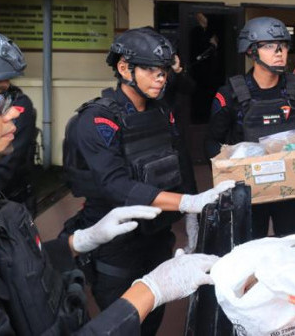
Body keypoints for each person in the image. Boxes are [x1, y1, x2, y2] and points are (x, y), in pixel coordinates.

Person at [0, 96, 220, 335]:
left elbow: (15, 267)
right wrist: (150, 291)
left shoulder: (4, 209)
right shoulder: (96, 119)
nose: (13, 113)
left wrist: (77, 242)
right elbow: (112, 183)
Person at [63, 27, 234, 335]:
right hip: (116, 242)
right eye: (152, 70)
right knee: (124, 320)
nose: (161, 78)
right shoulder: (97, 120)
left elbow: (179, 163)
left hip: (156, 235)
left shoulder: (160, 111)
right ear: (124, 68)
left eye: (164, 71)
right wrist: (185, 202)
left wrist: (190, 210)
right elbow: (115, 184)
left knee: (153, 316)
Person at [205, 17, 295, 238]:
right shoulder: (231, 94)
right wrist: (227, 175)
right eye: (269, 46)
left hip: (291, 190)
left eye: (283, 46)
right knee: (249, 252)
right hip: (248, 191)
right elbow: (211, 142)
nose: (279, 52)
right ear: (251, 51)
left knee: (292, 248)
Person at [0, 33, 37, 215]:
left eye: (4, 96)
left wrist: (74, 243)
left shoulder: (20, 104)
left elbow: (7, 166)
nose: (12, 112)